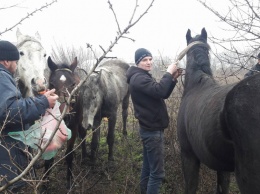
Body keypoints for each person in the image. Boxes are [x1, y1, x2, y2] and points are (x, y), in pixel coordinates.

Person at [0, 40, 58, 193]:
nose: (17, 65)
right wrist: (43, 102)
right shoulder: (1, 77)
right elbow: (9, 112)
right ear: (6, 61)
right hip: (6, 159)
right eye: (16, 61)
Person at [126, 48, 182, 194]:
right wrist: (168, 73)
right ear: (137, 62)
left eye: (150, 59)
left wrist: (173, 79)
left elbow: (161, 94)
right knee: (157, 174)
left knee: (148, 168)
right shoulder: (139, 78)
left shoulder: (142, 76)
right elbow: (160, 90)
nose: (149, 62)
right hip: (152, 133)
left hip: (150, 130)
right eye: (145, 60)